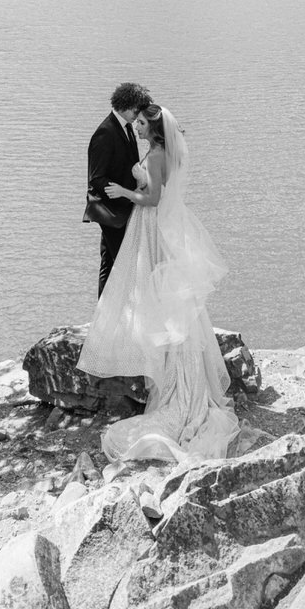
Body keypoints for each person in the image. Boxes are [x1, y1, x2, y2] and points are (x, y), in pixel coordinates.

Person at [78, 103, 239, 464]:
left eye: (140, 124)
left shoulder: (154, 156)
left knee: (150, 285)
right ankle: (179, 372)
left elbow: (151, 198)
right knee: (168, 296)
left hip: (150, 220)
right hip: (163, 223)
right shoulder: (163, 152)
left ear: (152, 129)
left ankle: (175, 387)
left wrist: (124, 192)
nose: (135, 127)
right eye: (134, 122)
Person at [87, 82, 153, 296]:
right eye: (136, 110)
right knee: (124, 263)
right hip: (111, 211)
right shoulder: (105, 133)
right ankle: (118, 315)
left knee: (109, 262)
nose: (137, 115)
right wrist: (124, 194)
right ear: (127, 105)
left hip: (122, 208)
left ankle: (104, 315)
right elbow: (96, 177)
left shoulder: (124, 128)